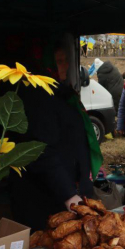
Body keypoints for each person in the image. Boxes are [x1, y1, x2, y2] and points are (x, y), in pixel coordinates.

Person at [11, 42, 103, 231]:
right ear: (44, 65)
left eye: (66, 60)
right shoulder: (37, 98)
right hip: (49, 199)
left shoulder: (61, 92)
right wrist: (69, 195)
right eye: (60, 61)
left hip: (69, 191)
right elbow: (42, 151)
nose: (67, 66)